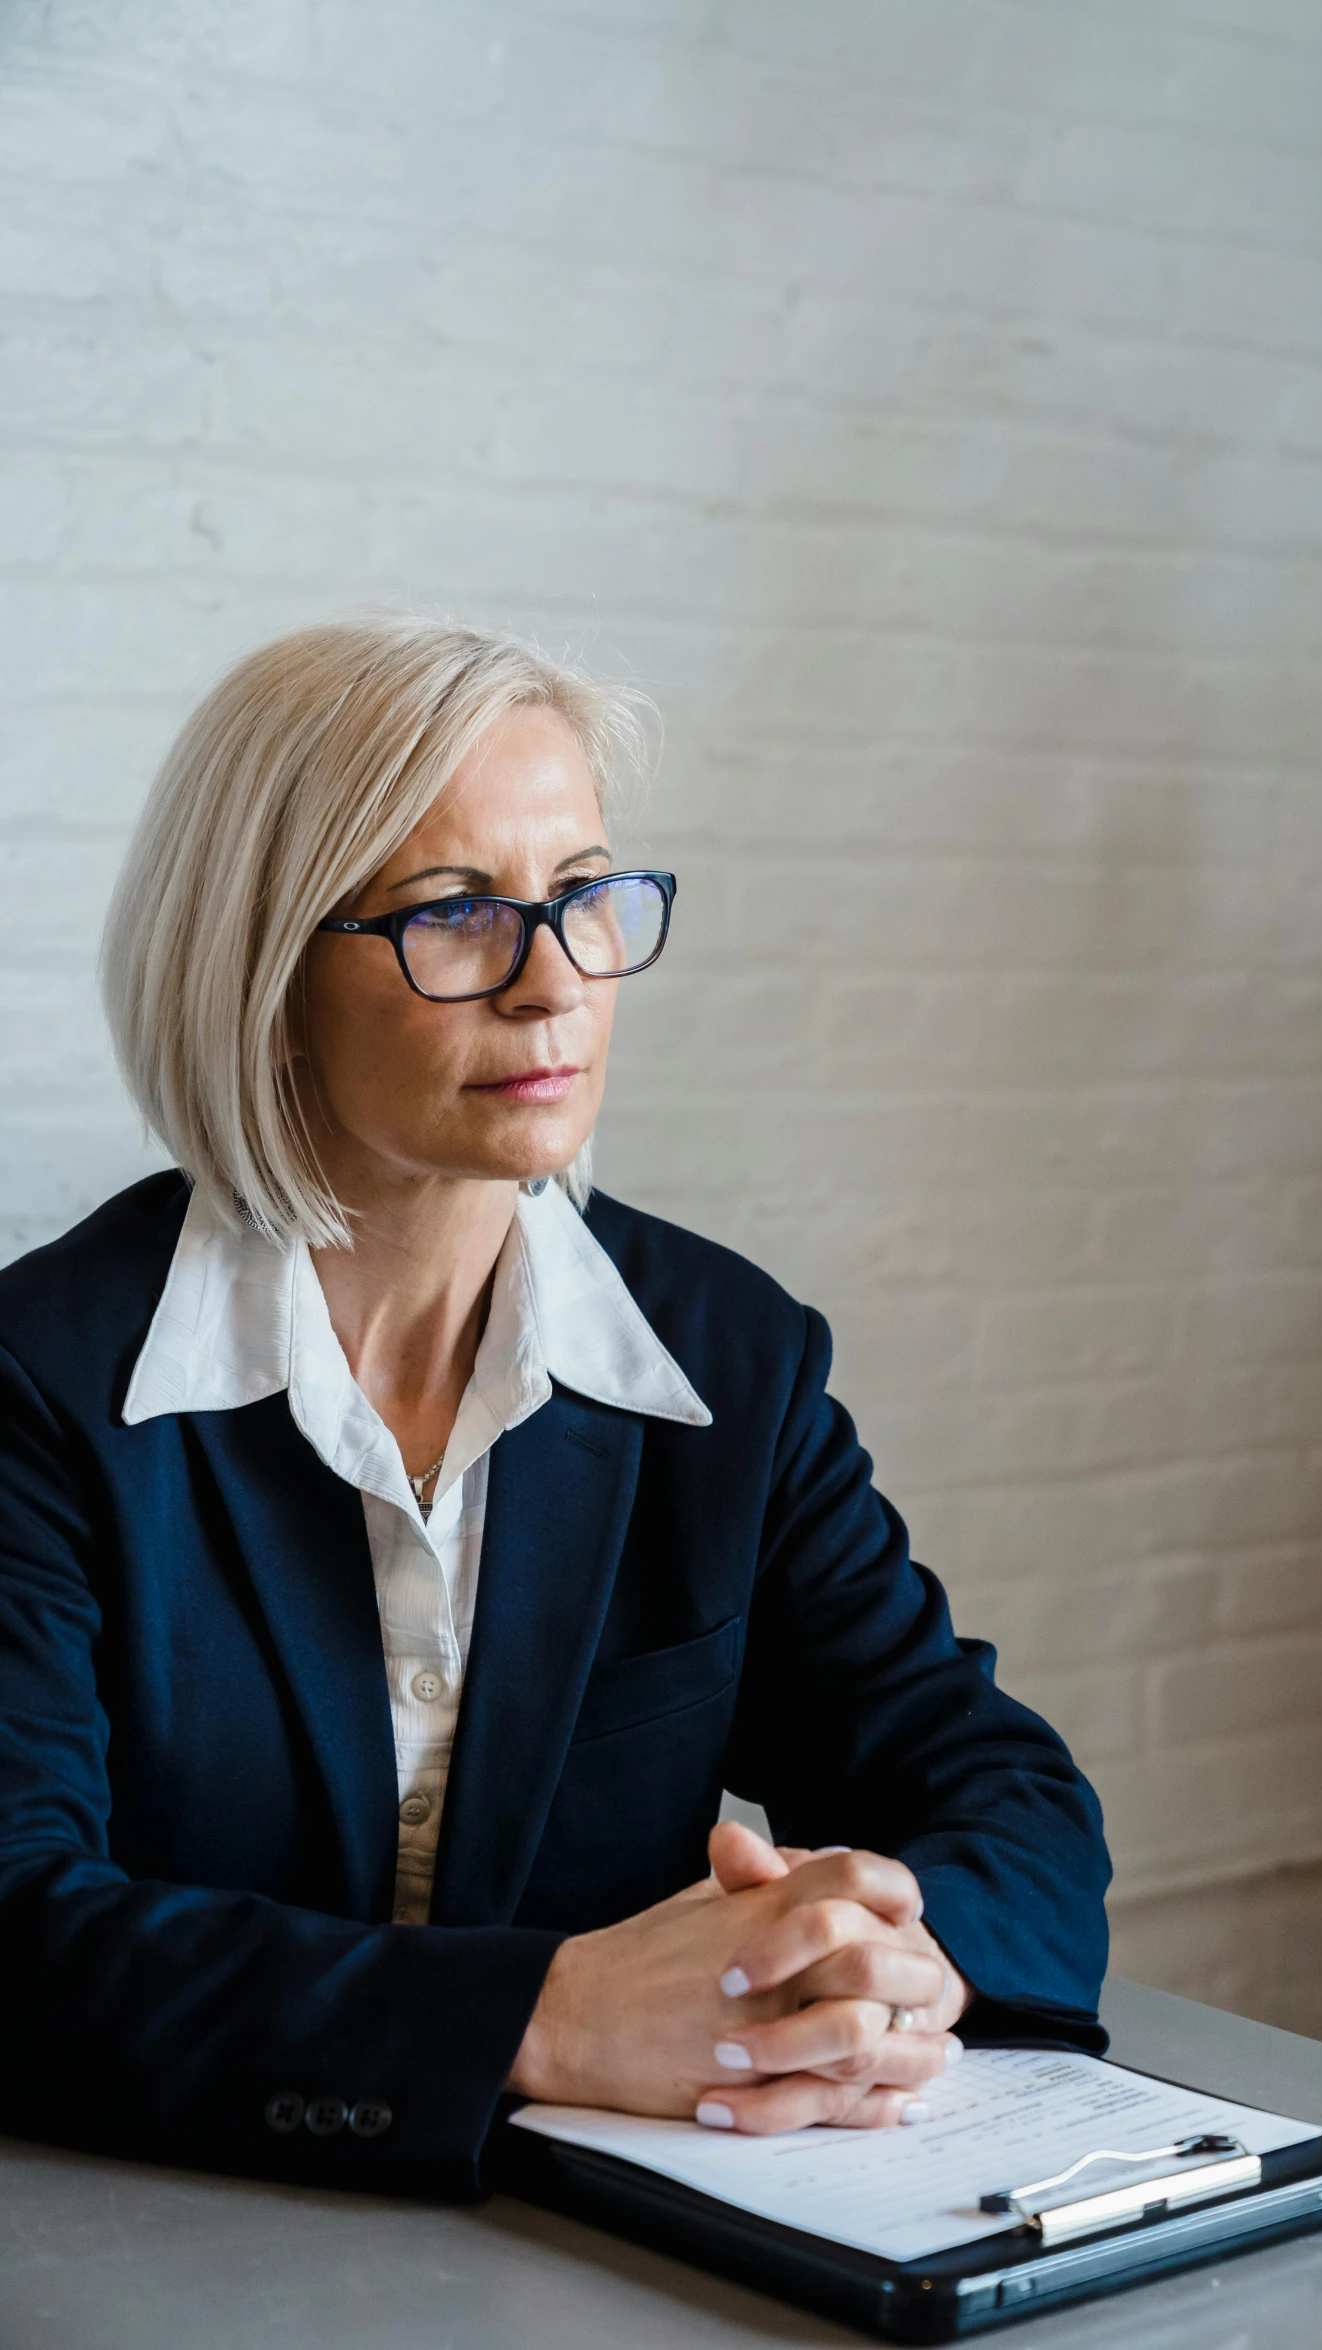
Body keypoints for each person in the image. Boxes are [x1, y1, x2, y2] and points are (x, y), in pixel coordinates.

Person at [0, 616, 1110, 2198]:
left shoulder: (727, 1357)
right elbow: (20, 1923)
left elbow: (1001, 1793)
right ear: (258, 968)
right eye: (454, 912)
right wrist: (543, 2012)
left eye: (586, 898)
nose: (552, 985)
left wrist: (880, 1948)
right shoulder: (41, 1383)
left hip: (606, 2247)